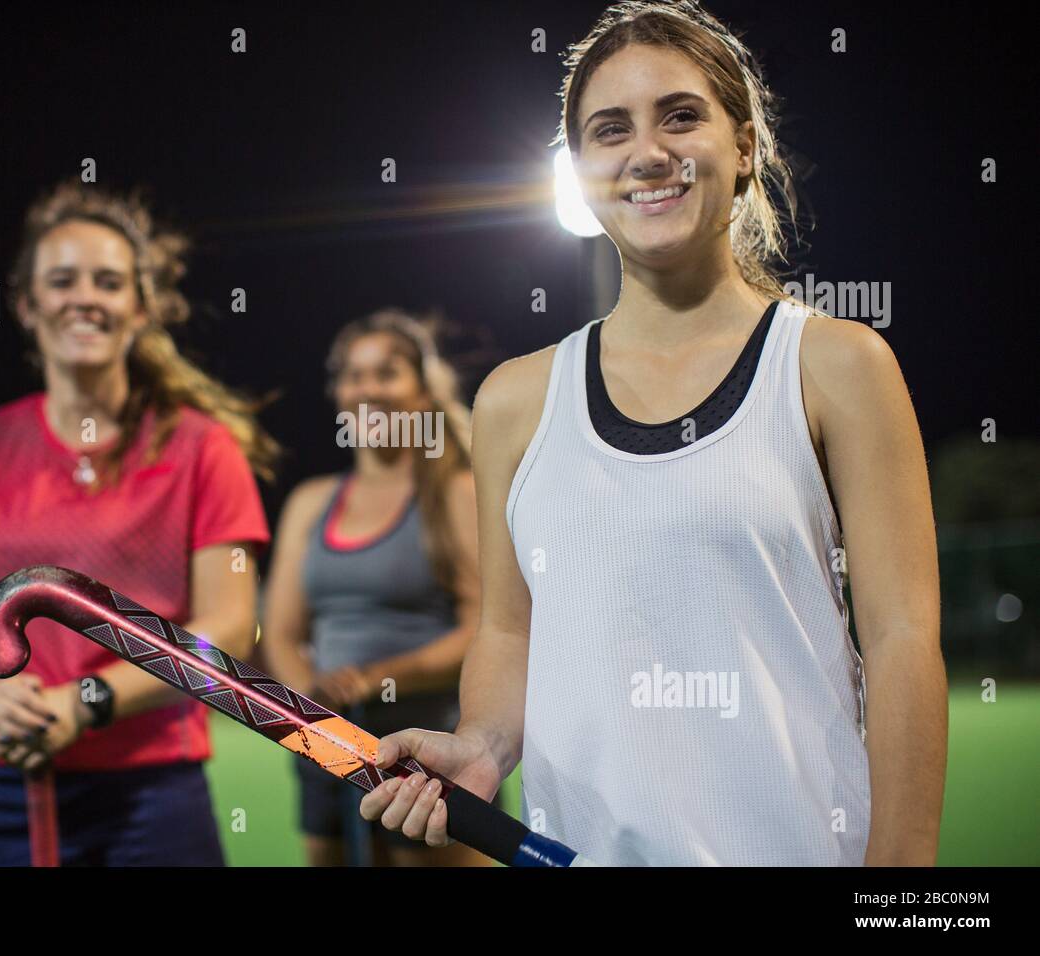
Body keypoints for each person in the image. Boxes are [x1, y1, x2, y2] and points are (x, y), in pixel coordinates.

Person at [361, 0, 946, 866]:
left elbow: (903, 642)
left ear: (744, 147)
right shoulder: (515, 400)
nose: (648, 152)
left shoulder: (837, 364)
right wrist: (483, 744)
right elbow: (510, 631)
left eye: (681, 116)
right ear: (581, 169)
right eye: (610, 130)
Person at [0, 181, 277, 866]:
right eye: (62, 280)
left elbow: (226, 629)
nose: (85, 297)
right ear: (26, 304)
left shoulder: (204, 449)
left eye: (109, 282)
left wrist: (87, 702)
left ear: (140, 308)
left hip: (151, 793)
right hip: (1, 781)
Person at [262, 309, 491, 866]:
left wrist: (374, 679)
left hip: (426, 746)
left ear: (422, 390)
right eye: (353, 375)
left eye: (387, 373)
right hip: (324, 744)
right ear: (338, 392)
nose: (369, 390)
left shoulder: (457, 492)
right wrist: (310, 718)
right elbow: (283, 633)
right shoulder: (310, 503)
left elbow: (484, 628)